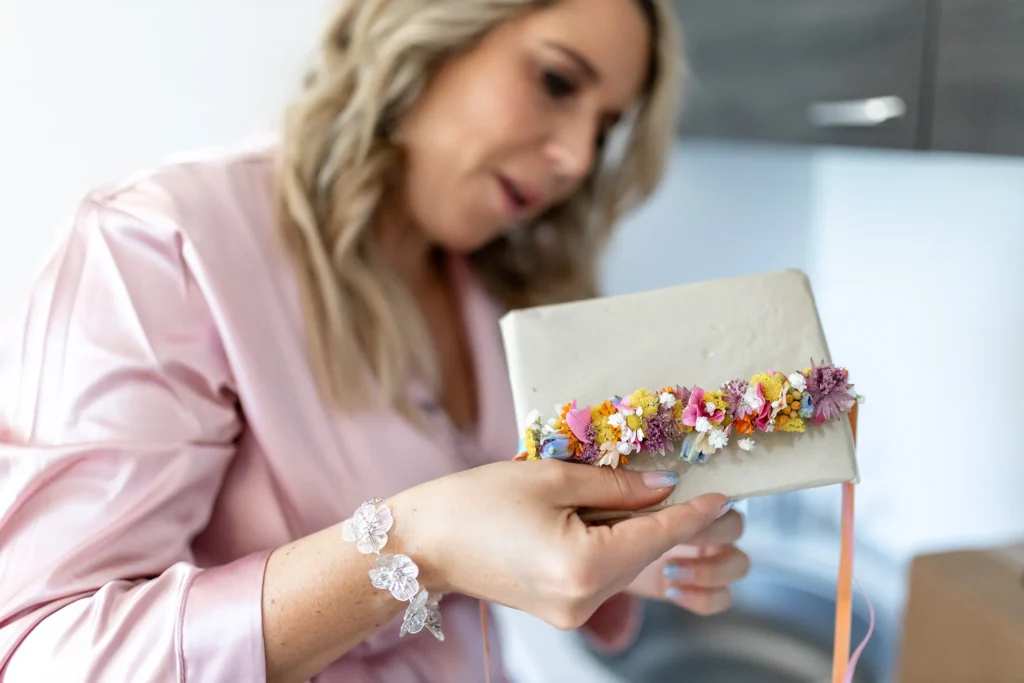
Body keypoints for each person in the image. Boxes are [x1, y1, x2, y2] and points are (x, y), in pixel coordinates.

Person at [0, 0, 750, 681]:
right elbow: (46, 654)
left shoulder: (496, 289)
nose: (579, 160)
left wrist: (608, 550)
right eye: (557, 81)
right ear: (430, 28)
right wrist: (415, 547)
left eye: (606, 126)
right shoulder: (160, 246)